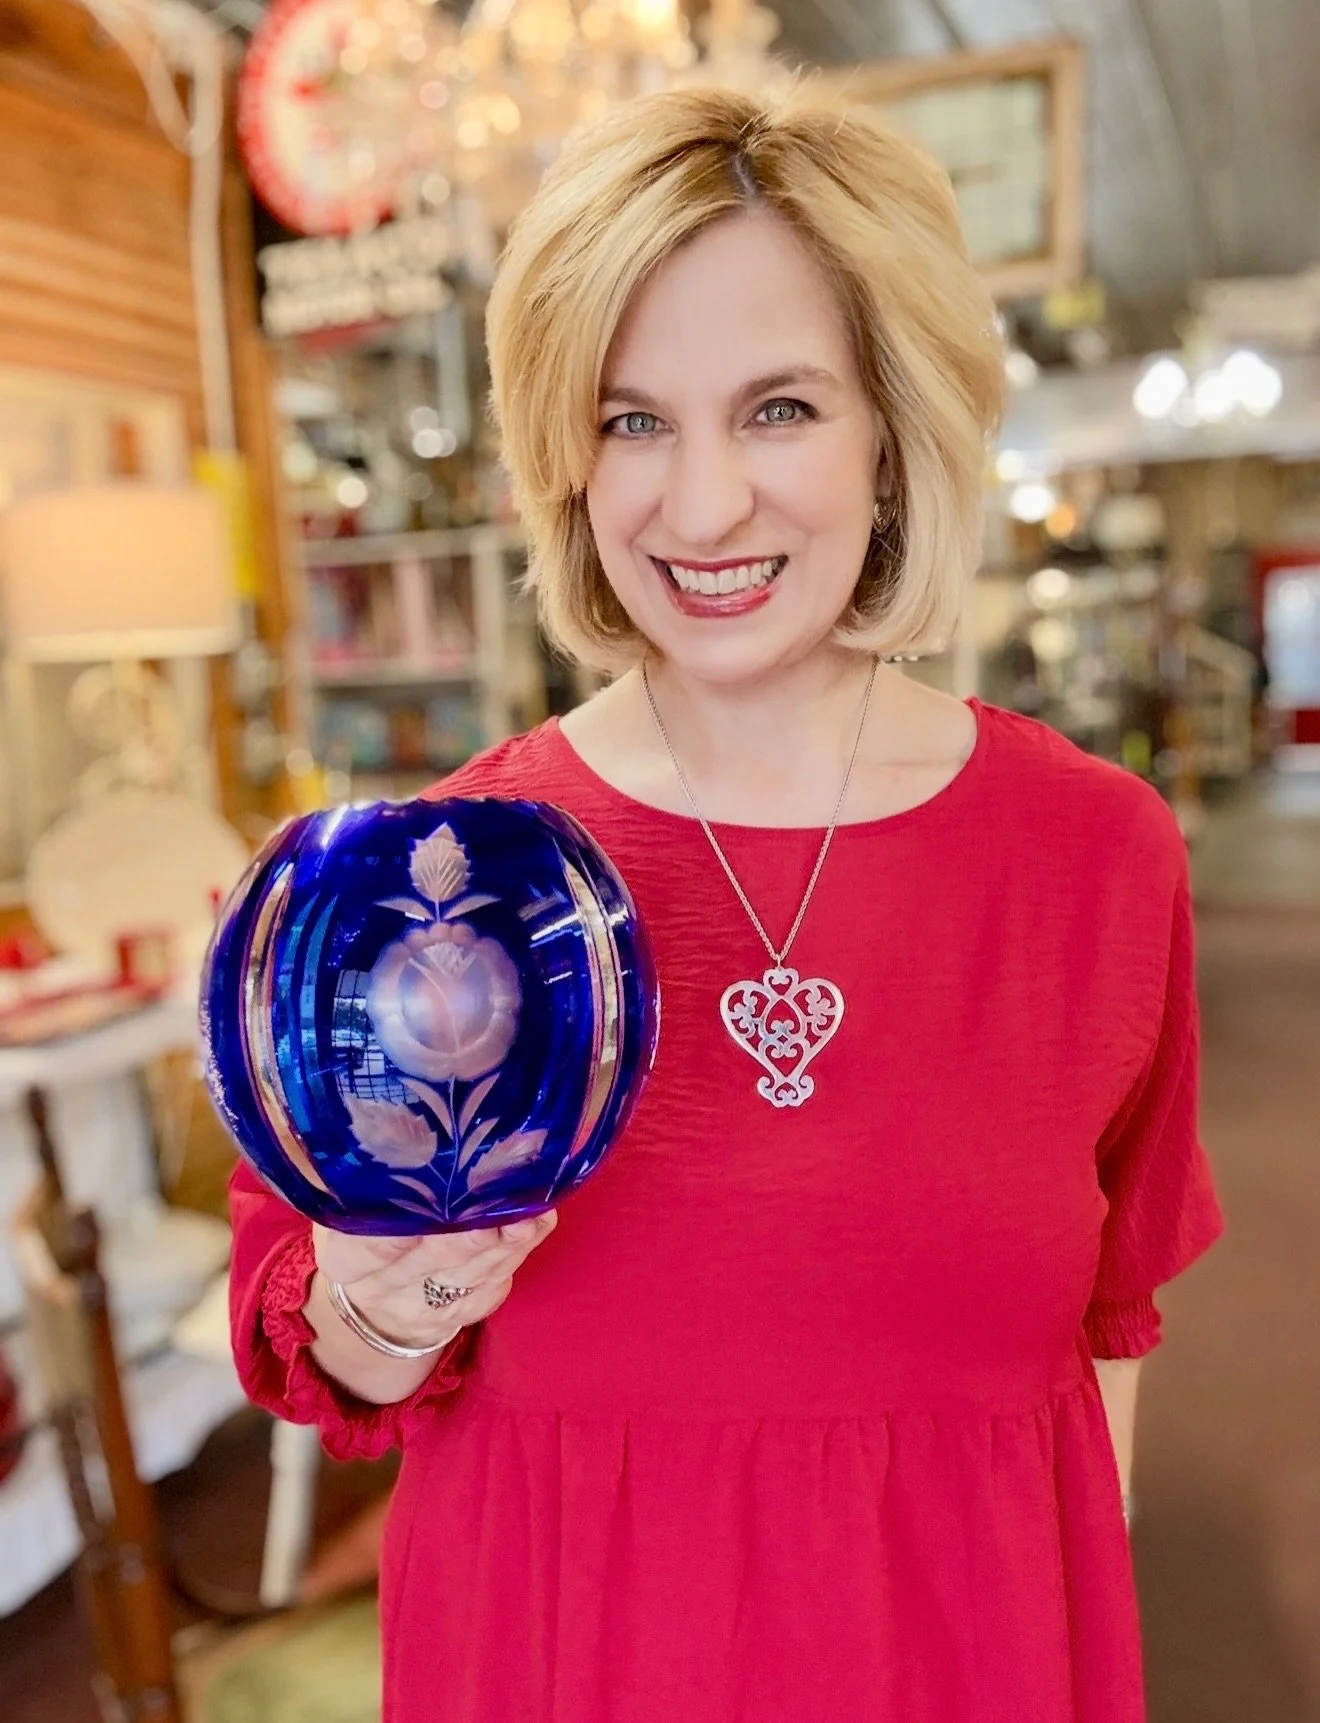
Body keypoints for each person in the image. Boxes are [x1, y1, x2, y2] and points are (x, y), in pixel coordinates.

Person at [229, 83, 1224, 1723]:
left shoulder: (1099, 856)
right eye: (633, 419)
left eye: (778, 408)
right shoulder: (450, 869)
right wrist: (381, 1301)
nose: (701, 509)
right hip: (558, 1658)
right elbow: (324, 1351)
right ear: (567, 451)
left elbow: (1109, 1333)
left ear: (893, 425)